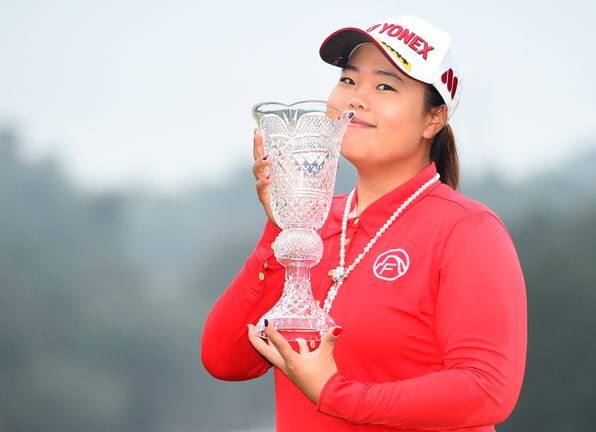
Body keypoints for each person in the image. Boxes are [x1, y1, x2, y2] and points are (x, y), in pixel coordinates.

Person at [201, 15, 527, 431]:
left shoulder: (467, 230)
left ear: (434, 118)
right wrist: (284, 227)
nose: (357, 99)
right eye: (349, 80)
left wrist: (336, 393)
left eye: (385, 86)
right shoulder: (312, 228)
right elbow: (225, 359)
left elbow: (486, 390)